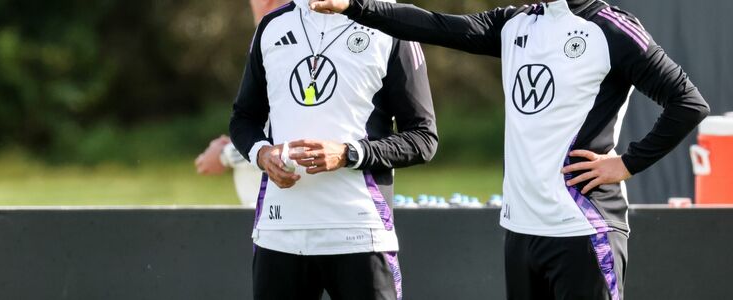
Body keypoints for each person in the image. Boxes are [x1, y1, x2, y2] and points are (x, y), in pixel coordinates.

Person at [308, 0, 709, 299]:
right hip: (521, 232)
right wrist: (353, 7)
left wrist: (626, 163)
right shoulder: (516, 22)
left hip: (584, 228)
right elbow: (436, 26)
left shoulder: (611, 28)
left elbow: (688, 103)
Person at [229, 0, 438, 298]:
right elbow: (243, 118)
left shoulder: (392, 25)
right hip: (279, 235)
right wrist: (263, 154)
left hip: (361, 236)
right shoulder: (271, 25)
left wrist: (348, 154)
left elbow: (422, 138)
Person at [194, 0, 292, 207]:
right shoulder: (267, 42)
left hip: (288, 211)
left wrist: (224, 156)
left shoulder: (290, 49)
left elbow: (284, 140)